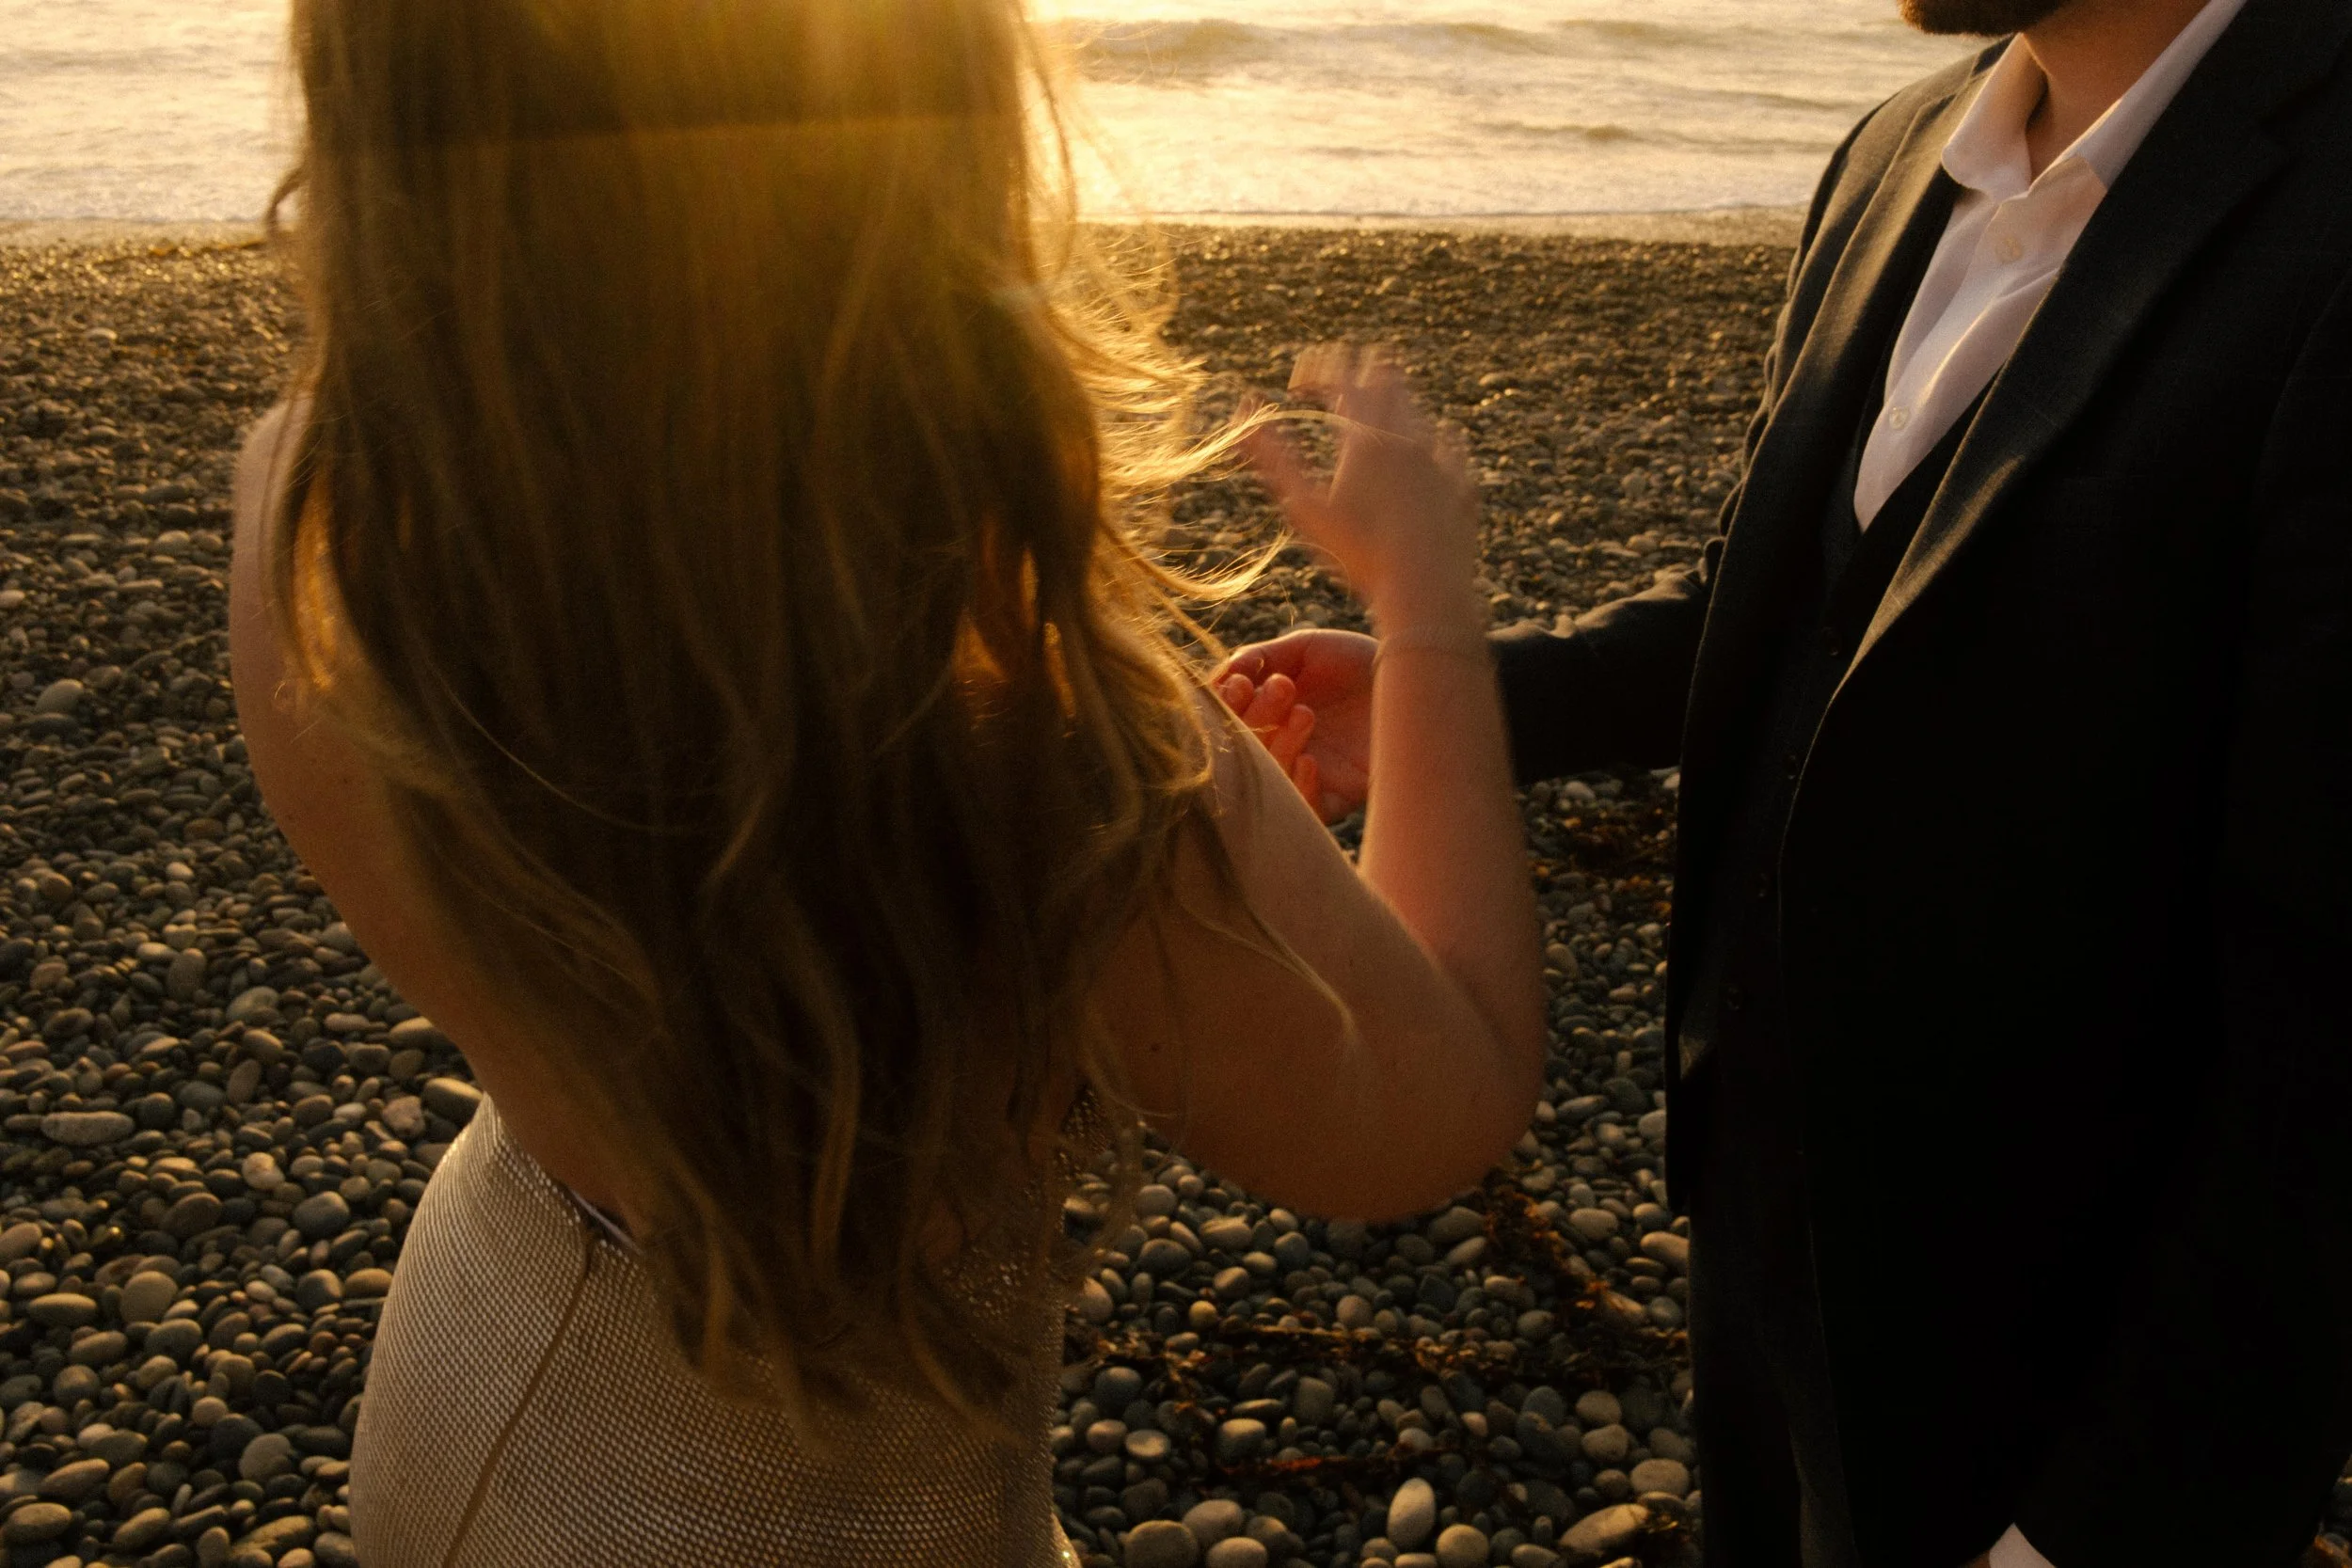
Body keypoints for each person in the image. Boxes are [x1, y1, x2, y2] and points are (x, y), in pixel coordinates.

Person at [223, 0, 1545, 1560]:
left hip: (475, 1353)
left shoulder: (314, 504)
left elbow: (677, 899)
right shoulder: (1047, 750)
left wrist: (1135, 914)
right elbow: (1440, 1097)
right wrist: (1430, 612)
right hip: (803, 1511)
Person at [1219, 0, 2352, 1561]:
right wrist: (1456, 694)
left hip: (2067, 1326)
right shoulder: (1898, 154)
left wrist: (2105, 1525)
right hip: (1770, 1229)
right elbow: (1782, 606)